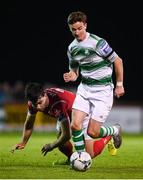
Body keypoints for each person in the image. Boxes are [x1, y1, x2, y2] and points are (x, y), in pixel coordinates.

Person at [63, 11, 125, 153]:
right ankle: (81, 157)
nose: (77, 32)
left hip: (102, 91)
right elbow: (74, 69)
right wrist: (72, 75)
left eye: (79, 28)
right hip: (84, 89)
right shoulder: (71, 48)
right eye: (73, 29)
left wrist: (119, 85)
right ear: (70, 28)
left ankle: (114, 130)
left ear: (85, 25)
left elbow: (118, 61)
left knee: (93, 132)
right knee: (75, 125)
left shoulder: (98, 43)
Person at [11, 82, 116, 165]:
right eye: (35, 104)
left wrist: (51, 145)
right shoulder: (33, 102)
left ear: (45, 95)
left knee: (89, 154)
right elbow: (29, 124)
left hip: (80, 113)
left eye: (40, 103)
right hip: (64, 114)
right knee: (61, 143)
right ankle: (72, 159)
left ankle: (110, 135)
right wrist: (23, 142)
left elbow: (67, 135)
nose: (38, 107)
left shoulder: (59, 103)